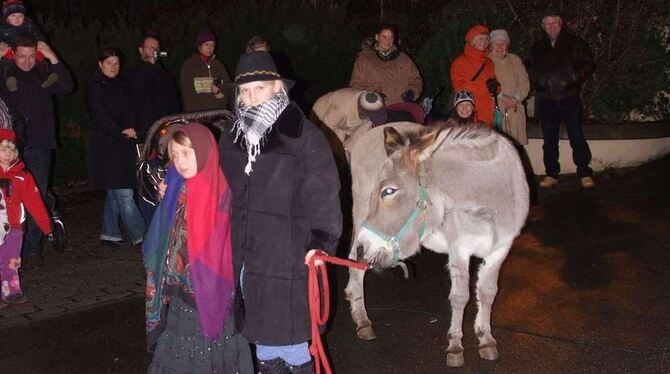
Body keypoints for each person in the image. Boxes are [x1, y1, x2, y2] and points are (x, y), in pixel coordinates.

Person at [219, 51, 342, 373]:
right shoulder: (231, 136)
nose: (251, 97)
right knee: (262, 337)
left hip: (288, 253)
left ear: (277, 88)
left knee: (291, 342)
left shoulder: (303, 135)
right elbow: (218, 184)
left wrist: (320, 243)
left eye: (259, 88)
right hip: (247, 252)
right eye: (245, 91)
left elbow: (324, 194)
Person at [143, 123, 253, 373]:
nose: (181, 161)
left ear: (203, 150)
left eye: (187, 152)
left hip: (215, 289)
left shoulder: (225, 189)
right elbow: (162, 242)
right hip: (181, 291)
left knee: (214, 351)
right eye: (175, 154)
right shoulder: (175, 187)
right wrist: (166, 198)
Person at [0, 33, 72, 269]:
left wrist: (53, 58)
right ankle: (9, 249)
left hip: (40, 144)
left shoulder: (43, 72)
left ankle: (32, 249)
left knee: (36, 198)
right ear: (13, 55)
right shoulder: (5, 73)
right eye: (22, 56)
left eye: (32, 56)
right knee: (8, 199)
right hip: (10, 147)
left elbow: (67, 87)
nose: (27, 61)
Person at [86, 47, 145, 247]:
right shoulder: (95, 87)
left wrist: (134, 128)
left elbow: (132, 110)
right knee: (125, 194)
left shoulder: (122, 85)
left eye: (117, 63)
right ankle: (143, 237)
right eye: (109, 63)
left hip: (123, 145)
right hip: (106, 148)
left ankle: (109, 233)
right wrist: (121, 130)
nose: (113, 66)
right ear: (100, 64)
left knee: (115, 191)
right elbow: (99, 116)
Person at [530, 10, 595, 188]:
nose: (551, 27)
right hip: (546, 98)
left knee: (576, 135)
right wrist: (539, 83)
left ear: (561, 23)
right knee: (549, 139)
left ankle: (584, 172)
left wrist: (570, 80)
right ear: (543, 26)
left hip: (568, 96)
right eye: (547, 24)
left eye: (554, 23)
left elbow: (588, 65)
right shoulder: (538, 47)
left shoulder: (575, 43)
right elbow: (532, 69)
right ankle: (552, 174)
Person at [127, 34, 180, 224]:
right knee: (146, 182)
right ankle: (151, 226)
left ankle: (164, 223)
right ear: (141, 50)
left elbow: (174, 104)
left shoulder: (164, 74)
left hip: (164, 136)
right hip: (143, 137)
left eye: (156, 47)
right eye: (149, 47)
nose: (153, 51)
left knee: (164, 179)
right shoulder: (132, 75)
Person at [0, 128, 51, 309]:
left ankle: (12, 292)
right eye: (3, 149)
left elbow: (34, 202)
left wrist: (47, 226)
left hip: (15, 227)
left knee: (12, 259)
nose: (8, 154)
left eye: (11, 150)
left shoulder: (22, 176)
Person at [350, 23, 423, 106]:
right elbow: (356, 84)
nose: (388, 41)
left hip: (401, 107)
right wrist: (372, 95)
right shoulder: (365, 59)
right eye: (384, 37)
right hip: (375, 108)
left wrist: (412, 92)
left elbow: (416, 80)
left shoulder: (404, 59)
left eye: (391, 37)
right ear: (377, 37)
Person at [0, 0, 57, 91]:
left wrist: (41, 42)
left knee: (39, 57)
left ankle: (46, 76)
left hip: (30, 47)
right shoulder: (3, 28)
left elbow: (39, 34)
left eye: (20, 15)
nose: (17, 18)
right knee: (7, 60)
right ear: (6, 18)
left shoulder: (29, 24)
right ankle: (10, 78)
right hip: (11, 49)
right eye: (13, 15)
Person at [450, 24, 498, 126]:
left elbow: (494, 83)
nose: (484, 42)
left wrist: (497, 88)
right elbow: (458, 87)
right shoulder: (460, 61)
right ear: (472, 41)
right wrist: (484, 86)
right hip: (470, 111)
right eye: (480, 39)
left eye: (486, 39)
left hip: (488, 111)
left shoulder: (489, 62)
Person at [488, 29, 530, 144]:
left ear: (508, 45)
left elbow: (524, 81)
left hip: (515, 109)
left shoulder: (515, 60)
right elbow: (486, 84)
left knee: (516, 147)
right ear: (491, 46)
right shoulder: (487, 62)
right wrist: (501, 97)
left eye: (503, 43)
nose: (500, 46)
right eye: (496, 43)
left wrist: (516, 98)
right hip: (495, 109)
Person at [179, 27, 230, 112]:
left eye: (212, 44)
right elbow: (187, 96)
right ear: (199, 46)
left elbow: (228, 90)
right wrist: (195, 116)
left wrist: (218, 93)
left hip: (218, 115)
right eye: (206, 44)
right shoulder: (189, 66)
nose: (210, 48)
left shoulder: (218, 65)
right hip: (198, 116)